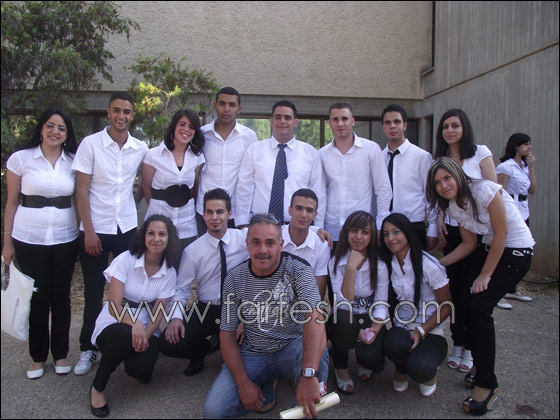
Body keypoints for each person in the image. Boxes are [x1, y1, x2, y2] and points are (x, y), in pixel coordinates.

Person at [427, 157, 534, 415]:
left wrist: (485, 275)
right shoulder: (454, 206)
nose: (443, 185)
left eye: (447, 178)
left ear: (458, 175)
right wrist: (435, 263)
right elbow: (469, 244)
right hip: (487, 249)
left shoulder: (484, 189)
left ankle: (488, 384)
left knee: (479, 307)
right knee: (464, 302)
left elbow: (502, 233)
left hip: (516, 252)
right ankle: (479, 365)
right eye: (437, 183)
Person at [202, 214, 328, 419]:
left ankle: (305, 404)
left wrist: (308, 374)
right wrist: (243, 383)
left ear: (281, 245)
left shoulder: (299, 269)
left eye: (270, 243)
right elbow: (226, 335)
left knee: (317, 351)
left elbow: (315, 319)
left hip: (292, 348)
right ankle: (265, 388)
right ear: (247, 245)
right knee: (214, 412)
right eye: (256, 242)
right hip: (254, 352)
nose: (262, 250)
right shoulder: (234, 278)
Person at [72, 92, 148, 376]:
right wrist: (89, 231)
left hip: (126, 228)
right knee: (93, 291)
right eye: (117, 110)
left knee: (128, 290)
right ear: (108, 112)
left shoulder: (140, 148)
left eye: (126, 111)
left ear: (132, 115)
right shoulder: (90, 144)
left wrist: (134, 204)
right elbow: (81, 190)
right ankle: (87, 348)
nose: (121, 116)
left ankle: (124, 340)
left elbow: (144, 184)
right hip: (96, 229)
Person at [2, 109, 79, 379]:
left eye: (61, 128)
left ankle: (60, 355)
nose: (55, 132)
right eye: (50, 126)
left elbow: (79, 200)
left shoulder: (74, 162)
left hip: (65, 238)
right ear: (41, 128)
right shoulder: (21, 159)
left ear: (67, 134)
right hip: (28, 238)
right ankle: (37, 357)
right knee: (37, 297)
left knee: (61, 297)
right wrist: (7, 242)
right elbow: (12, 202)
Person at [88, 215, 180, 417]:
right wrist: (135, 324)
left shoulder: (170, 272)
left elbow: (158, 314)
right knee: (125, 334)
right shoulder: (126, 259)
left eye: (162, 234)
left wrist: (145, 336)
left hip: (146, 329)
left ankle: (128, 355)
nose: (156, 239)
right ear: (143, 236)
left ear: (169, 238)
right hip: (114, 323)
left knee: (141, 370)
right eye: (151, 233)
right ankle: (98, 387)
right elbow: (114, 305)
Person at [433, 108, 498, 374]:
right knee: (454, 291)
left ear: (464, 128)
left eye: (455, 125)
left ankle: (471, 348)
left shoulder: (480, 153)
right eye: (445, 126)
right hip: (453, 231)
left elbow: (494, 192)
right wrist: (440, 217)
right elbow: (441, 195)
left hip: (477, 234)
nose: (450, 131)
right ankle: (458, 342)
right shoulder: (441, 159)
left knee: (473, 294)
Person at [159, 188, 249, 376]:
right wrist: (175, 318)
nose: (214, 217)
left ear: (230, 213)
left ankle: (228, 343)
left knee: (248, 351)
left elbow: (276, 235)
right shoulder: (193, 250)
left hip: (238, 308)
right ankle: (199, 351)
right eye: (209, 212)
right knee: (169, 343)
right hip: (208, 308)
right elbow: (182, 289)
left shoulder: (244, 240)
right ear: (203, 214)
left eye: (220, 212)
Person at [379, 213, 452, 397]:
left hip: (430, 330)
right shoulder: (389, 264)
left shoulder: (428, 265)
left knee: (420, 368)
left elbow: (446, 306)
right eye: (386, 234)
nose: (391, 238)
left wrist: (420, 331)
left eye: (396, 232)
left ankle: (428, 372)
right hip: (403, 328)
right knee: (392, 342)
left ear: (407, 233)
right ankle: (401, 368)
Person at [327, 211, 389, 394]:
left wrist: (374, 329)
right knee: (341, 318)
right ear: (346, 233)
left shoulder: (380, 265)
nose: (359, 237)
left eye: (365, 232)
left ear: (372, 236)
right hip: (346, 319)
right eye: (354, 231)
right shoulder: (335, 262)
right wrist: (350, 268)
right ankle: (341, 366)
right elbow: (343, 302)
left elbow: (381, 303)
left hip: (368, 319)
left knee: (373, 360)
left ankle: (363, 361)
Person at [236, 100, 325, 227]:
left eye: (287, 118)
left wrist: (317, 226)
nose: (282, 121)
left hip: (297, 227)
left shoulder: (310, 153)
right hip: (260, 225)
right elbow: (244, 188)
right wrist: (243, 223)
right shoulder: (254, 150)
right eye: (278, 117)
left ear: (295, 122)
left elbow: (318, 192)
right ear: (271, 121)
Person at [319, 102, 391, 243]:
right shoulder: (322, 154)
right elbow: (320, 193)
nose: (340, 124)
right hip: (332, 230)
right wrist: (319, 227)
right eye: (336, 119)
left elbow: (383, 189)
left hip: (362, 229)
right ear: (330, 123)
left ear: (352, 121)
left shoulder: (371, 149)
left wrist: (380, 224)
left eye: (344, 119)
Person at [142, 109, 206, 252]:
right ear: (174, 126)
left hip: (187, 223)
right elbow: (146, 186)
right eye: (182, 124)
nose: (186, 130)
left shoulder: (197, 157)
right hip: (159, 221)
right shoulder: (153, 155)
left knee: (185, 262)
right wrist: (156, 208)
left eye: (191, 127)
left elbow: (194, 187)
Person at [196, 87, 258, 233]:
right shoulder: (202, 134)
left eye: (232, 105)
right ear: (215, 105)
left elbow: (253, 175)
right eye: (222, 104)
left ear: (239, 109)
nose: (226, 109)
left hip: (235, 212)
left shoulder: (249, 136)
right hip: (205, 211)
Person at [381, 104, 437, 250]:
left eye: (397, 122)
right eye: (388, 122)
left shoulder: (421, 157)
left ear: (404, 125)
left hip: (413, 224)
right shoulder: (379, 158)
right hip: (386, 226)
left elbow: (430, 193)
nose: (392, 126)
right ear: (383, 127)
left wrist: (433, 226)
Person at [497, 133, 536, 303]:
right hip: (510, 211)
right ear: (516, 146)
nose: (528, 147)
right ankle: (498, 290)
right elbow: (500, 192)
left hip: (524, 211)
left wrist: (532, 168)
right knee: (507, 249)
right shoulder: (506, 167)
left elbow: (532, 190)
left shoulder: (525, 168)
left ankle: (511, 288)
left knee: (522, 247)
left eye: (529, 144)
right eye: (525, 144)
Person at [282, 189, 330, 298]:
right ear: (290, 210)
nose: (304, 215)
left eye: (309, 210)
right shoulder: (275, 237)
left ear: (315, 215)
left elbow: (318, 295)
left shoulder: (322, 245)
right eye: (299, 208)